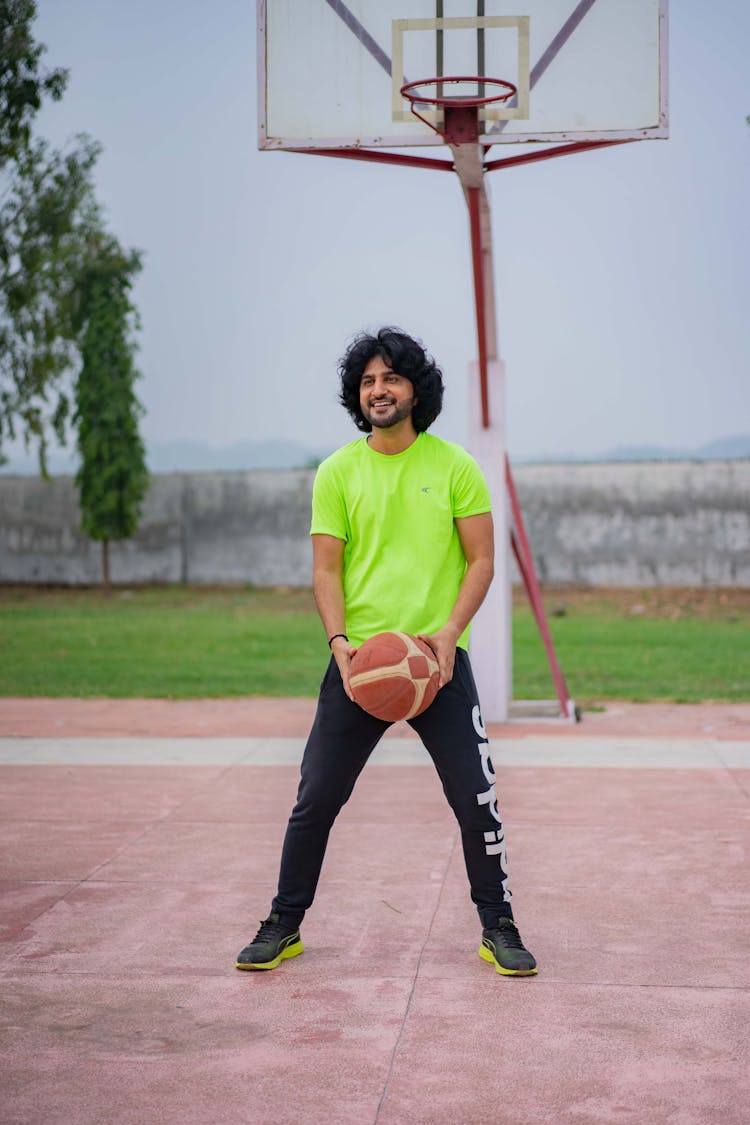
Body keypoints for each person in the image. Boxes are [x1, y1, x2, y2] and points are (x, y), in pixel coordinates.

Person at [236, 327, 537, 977]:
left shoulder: (454, 465)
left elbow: (482, 560)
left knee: (475, 795)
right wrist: (340, 645)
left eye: (391, 377)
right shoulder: (338, 471)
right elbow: (325, 572)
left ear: (415, 389)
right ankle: (284, 921)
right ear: (358, 392)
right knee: (316, 795)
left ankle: (498, 923)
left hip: (436, 658)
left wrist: (451, 632)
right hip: (363, 664)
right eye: (369, 379)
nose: (379, 388)